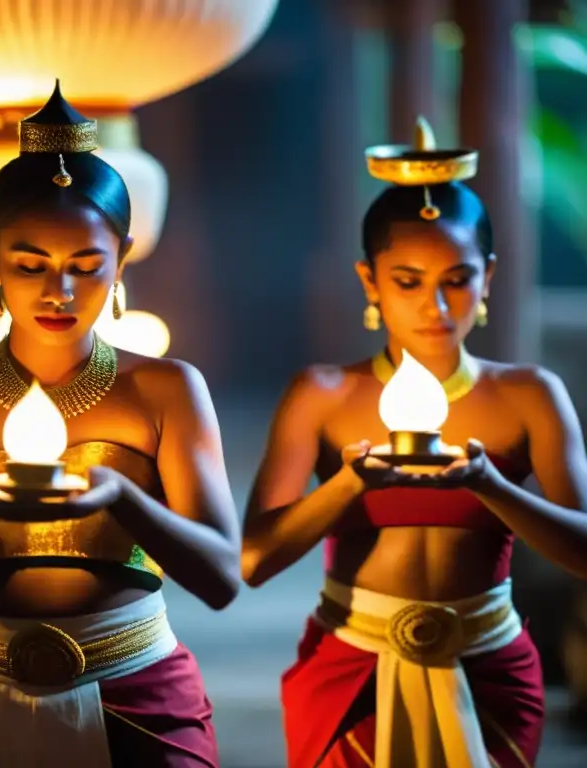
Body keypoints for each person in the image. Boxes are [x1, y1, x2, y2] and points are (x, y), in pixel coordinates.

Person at [0, 81, 240, 768]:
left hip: (140, 694)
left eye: (85, 267)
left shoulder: (166, 389)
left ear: (122, 257)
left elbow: (220, 578)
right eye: (31, 265)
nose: (59, 292)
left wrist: (123, 497)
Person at [241, 117, 587, 768]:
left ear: (486, 278)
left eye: (456, 278)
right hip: (350, 662)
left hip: (488, 662)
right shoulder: (324, 395)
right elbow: (252, 560)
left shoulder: (528, 396)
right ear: (370, 281)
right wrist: (348, 484)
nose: (436, 305)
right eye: (407, 281)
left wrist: (490, 486)